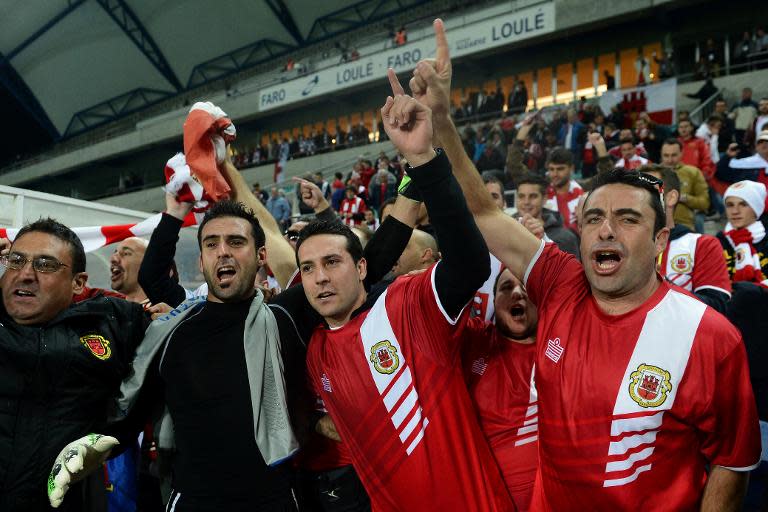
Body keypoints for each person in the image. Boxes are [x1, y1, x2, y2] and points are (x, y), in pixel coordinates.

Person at [408, 18, 760, 509]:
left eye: (627, 218)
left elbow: (732, 461)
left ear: (662, 239)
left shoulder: (708, 335)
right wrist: (442, 121)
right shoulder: (559, 283)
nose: (606, 229)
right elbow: (486, 210)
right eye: (593, 217)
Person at [298, 68, 512, 511]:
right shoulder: (315, 349)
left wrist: (424, 162)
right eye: (307, 269)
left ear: (362, 267)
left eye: (332, 262)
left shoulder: (404, 303)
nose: (319, 277)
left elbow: (470, 265)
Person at [0, 219, 149, 511]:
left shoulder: (115, 326)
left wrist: (109, 438)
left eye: (45, 265)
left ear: (78, 283)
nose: (26, 274)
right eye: (16, 261)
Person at [461, 268, 538, 511]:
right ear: (493, 302)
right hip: (481, 498)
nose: (517, 293)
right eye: (506, 288)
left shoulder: (565, 347)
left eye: (526, 288)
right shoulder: (474, 340)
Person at [643, 165, 731, 313]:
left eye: (647, 191)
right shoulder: (621, 246)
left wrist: (662, 288)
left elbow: (717, 307)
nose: (637, 199)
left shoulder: (701, 245)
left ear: (671, 198)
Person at [716, 180, 768, 284]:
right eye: (730, 205)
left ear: (756, 208)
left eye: (743, 204)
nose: (735, 211)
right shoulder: (716, 243)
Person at [515, 174, 580, 258]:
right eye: (521, 196)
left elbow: (573, 270)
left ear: (545, 198)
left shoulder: (566, 238)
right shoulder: (504, 231)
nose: (526, 202)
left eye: (533, 196)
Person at [660, 138, 710, 231]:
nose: (670, 160)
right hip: (658, 225)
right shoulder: (654, 174)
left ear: (681, 153)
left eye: (674, 155)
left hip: (684, 226)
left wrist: (685, 198)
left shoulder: (693, 172)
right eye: (666, 155)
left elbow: (704, 203)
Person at [544, 147, 583, 232]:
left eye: (560, 169)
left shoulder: (583, 196)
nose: (555, 174)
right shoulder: (542, 195)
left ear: (571, 169)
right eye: (551, 169)